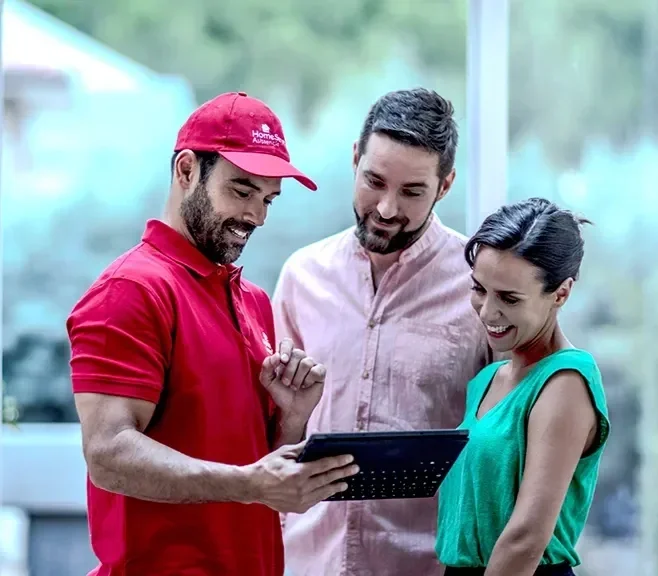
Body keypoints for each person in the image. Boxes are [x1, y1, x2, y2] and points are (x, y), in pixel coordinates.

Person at [66, 92, 359, 576]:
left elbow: (259, 472)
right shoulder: (130, 290)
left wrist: (292, 418)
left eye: (268, 199)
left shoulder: (252, 301)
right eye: (242, 191)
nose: (257, 216)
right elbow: (109, 454)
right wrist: (248, 483)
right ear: (186, 171)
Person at [273, 88, 491, 576]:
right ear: (355, 158)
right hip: (306, 561)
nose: (387, 209)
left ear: (445, 185)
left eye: (412, 191)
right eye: (374, 181)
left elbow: (503, 438)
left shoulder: (479, 287)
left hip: (428, 567)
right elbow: (270, 431)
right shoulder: (300, 277)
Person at [435, 198, 611, 576]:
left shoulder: (565, 382)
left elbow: (526, 538)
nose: (487, 312)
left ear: (561, 293)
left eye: (509, 298)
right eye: (479, 289)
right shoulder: (487, 380)